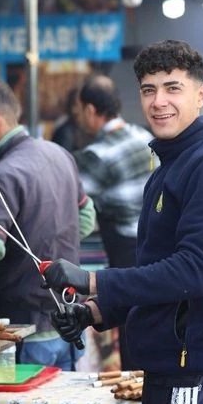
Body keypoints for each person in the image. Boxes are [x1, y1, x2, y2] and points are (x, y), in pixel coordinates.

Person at [43, 40, 203, 404]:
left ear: (200, 94)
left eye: (173, 87)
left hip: (201, 373)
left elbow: (194, 273)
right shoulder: (166, 169)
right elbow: (158, 273)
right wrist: (95, 312)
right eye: (148, 90)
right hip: (170, 370)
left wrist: (93, 280)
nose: (159, 101)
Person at [0, 78, 96, 370]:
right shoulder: (60, 154)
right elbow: (85, 217)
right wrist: (52, 247)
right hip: (68, 325)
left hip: (25, 333)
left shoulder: (2, 175)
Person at [73, 73, 155, 370]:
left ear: (91, 110)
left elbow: (73, 204)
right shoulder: (143, 135)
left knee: (130, 320)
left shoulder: (97, 154)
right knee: (148, 318)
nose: (78, 117)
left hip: (125, 248)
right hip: (154, 244)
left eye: (79, 111)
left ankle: (136, 390)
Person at [51, 86, 93, 152]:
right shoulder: (65, 132)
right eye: (74, 105)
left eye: (79, 106)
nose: (75, 110)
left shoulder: (88, 130)